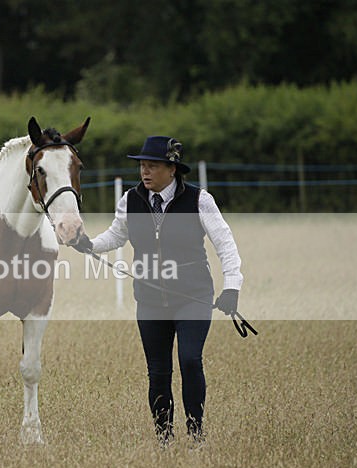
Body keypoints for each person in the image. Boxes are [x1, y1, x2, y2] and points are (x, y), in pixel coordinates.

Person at [74, 136, 242, 447]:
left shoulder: (199, 201)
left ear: (172, 169)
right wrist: (90, 245)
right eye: (142, 166)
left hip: (193, 296)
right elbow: (116, 235)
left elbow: (226, 245)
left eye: (152, 166)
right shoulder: (130, 200)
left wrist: (231, 287)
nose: (145, 172)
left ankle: (196, 435)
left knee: (190, 360)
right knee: (158, 373)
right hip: (150, 301)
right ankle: (164, 438)